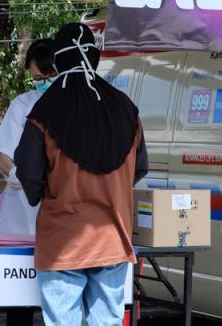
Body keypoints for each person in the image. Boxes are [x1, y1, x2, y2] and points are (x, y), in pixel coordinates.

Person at [15, 23, 148, 326]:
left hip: (63, 241)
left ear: (59, 59)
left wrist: (45, 193)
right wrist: (112, 188)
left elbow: (28, 170)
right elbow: (140, 167)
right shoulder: (126, 107)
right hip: (114, 238)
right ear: (95, 55)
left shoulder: (44, 110)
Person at [0, 38, 57, 236]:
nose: (44, 83)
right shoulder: (23, 104)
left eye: (50, 76)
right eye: (37, 78)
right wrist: (14, 173)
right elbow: (2, 152)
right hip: (22, 207)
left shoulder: (76, 105)